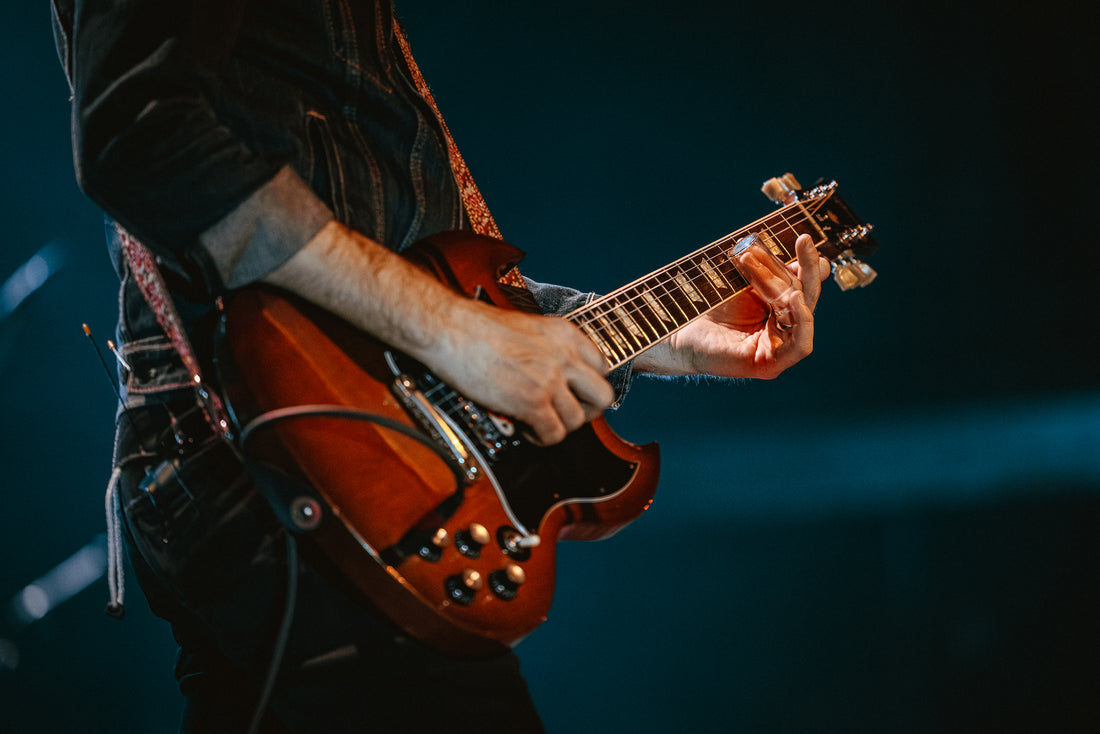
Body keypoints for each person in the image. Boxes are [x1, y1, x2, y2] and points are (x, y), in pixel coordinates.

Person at [52, 1, 829, 731]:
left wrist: (679, 337)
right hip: (273, 437)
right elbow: (137, 129)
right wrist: (453, 329)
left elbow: (416, 288)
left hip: (336, 443)